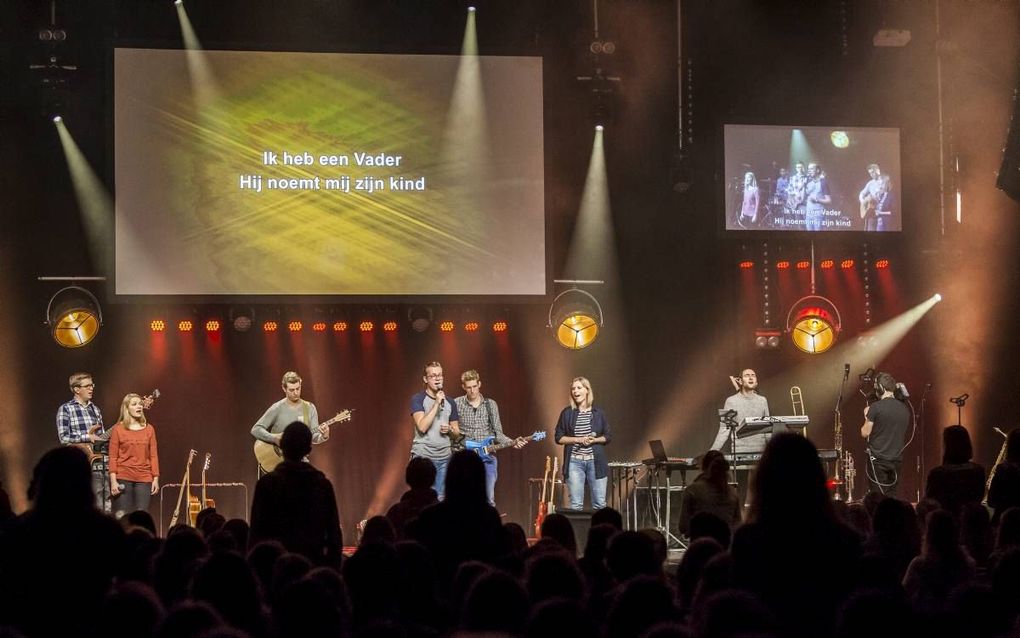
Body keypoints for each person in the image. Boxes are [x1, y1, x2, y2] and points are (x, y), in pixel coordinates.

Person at [249, 422, 342, 567]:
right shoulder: (322, 485)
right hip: (313, 568)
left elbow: (255, 535)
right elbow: (334, 536)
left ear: (282, 447)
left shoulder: (266, 485)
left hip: (274, 569)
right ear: (308, 449)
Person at [454, 369, 526, 506]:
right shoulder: (457, 403)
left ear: (479, 384)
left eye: (475, 386)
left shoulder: (490, 404)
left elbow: (498, 433)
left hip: (487, 457)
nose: (472, 390)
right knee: (464, 500)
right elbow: (454, 431)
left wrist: (512, 442)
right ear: (463, 387)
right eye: (469, 387)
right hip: (466, 457)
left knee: (488, 499)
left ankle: (488, 526)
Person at [251, 371, 329, 470]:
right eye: (292, 390)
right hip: (279, 462)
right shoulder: (277, 408)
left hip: (300, 463)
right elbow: (256, 429)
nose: (296, 393)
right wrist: (274, 438)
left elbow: (314, 436)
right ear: (284, 389)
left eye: (298, 388)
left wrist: (324, 436)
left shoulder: (309, 408)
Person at [554, 376, 612, 510]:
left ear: (587, 390)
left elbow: (608, 436)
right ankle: (578, 531)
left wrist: (595, 440)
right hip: (574, 462)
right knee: (575, 505)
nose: (575, 391)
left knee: (599, 504)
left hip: (595, 462)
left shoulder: (598, 413)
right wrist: (578, 439)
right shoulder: (567, 413)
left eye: (579, 388)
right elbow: (558, 437)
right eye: (573, 389)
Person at [56, 371, 111, 512]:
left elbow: (101, 438)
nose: (91, 388)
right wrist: (87, 436)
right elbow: (64, 437)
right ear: (76, 389)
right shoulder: (66, 409)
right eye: (87, 386)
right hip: (77, 462)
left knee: (103, 500)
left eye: (92, 385)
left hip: (97, 462)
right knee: (79, 500)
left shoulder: (96, 410)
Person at [411, 361, 461, 500]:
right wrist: (437, 403)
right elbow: (422, 426)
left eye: (440, 375)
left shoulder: (451, 402)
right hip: (424, 457)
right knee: (424, 499)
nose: (438, 378)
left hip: (445, 457)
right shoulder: (418, 399)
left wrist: (451, 430)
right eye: (433, 376)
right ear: (425, 379)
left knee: (442, 499)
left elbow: (457, 434)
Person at [108, 393, 161, 518]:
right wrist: (113, 481)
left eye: (140, 404)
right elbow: (113, 456)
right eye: (134, 404)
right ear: (126, 408)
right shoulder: (118, 429)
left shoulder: (149, 429)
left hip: (144, 477)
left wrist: (156, 478)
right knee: (123, 516)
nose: (139, 407)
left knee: (142, 515)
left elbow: (153, 455)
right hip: (123, 475)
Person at [860, 372, 911, 497]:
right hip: (896, 459)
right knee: (892, 495)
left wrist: (866, 416)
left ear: (881, 388)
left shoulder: (875, 407)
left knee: (878, 497)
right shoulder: (904, 409)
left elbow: (865, 433)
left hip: (878, 459)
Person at [924, 424, 985, 517]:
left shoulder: (937, 474)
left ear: (947, 446)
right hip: (971, 522)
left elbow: (930, 503)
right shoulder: (978, 471)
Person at [678, 450, 742, 537]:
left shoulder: (692, 490)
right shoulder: (733, 494)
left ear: (703, 467)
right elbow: (738, 525)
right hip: (726, 547)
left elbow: (683, 527)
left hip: (701, 546)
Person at [710, 369, 770, 454]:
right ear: (740, 381)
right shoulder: (730, 401)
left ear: (756, 381)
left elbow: (767, 428)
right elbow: (724, 429)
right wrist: (711, 452)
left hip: (761, 451)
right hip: (740, 451)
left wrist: (774, 450)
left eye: (753, 375)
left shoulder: (763, 400)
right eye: (747, 375)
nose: (751, 378)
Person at [858, 163, 893, 231]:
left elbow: (890, 195)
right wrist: (863, 202)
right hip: (872, 213)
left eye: (873, 172)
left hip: (882, 212)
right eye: (870, 173)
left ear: (878, 170)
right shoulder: (870, 183)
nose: (871, 175)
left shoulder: (885, 181)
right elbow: (861, 193)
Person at [804, 162, 831, 231]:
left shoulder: (823, 182)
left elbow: (829, 201)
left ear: (818, 170)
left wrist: (817, 199)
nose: (809, 170)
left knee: (818, 236)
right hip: (808, 213)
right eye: (808, 169)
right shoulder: (808, 181)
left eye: (812, 169)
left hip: (818, 214)